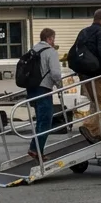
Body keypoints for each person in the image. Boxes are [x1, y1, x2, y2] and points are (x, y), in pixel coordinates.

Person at [74, 9, 101, 143]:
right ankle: (88, 126)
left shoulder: (83, 32)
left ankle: (95, 134)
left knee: (94, 103)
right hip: (96, 73)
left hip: (84, 73)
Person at [24, 28, 62, 160]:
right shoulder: (50, 52)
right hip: (43, 89)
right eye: (53, 39)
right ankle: (36, 150)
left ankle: (35, 148)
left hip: (31, 89)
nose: (53, 41)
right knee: (46, 120)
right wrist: (60, 85)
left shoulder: (33, 50)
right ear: (50, 39)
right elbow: (55, 73)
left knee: (40, 120)